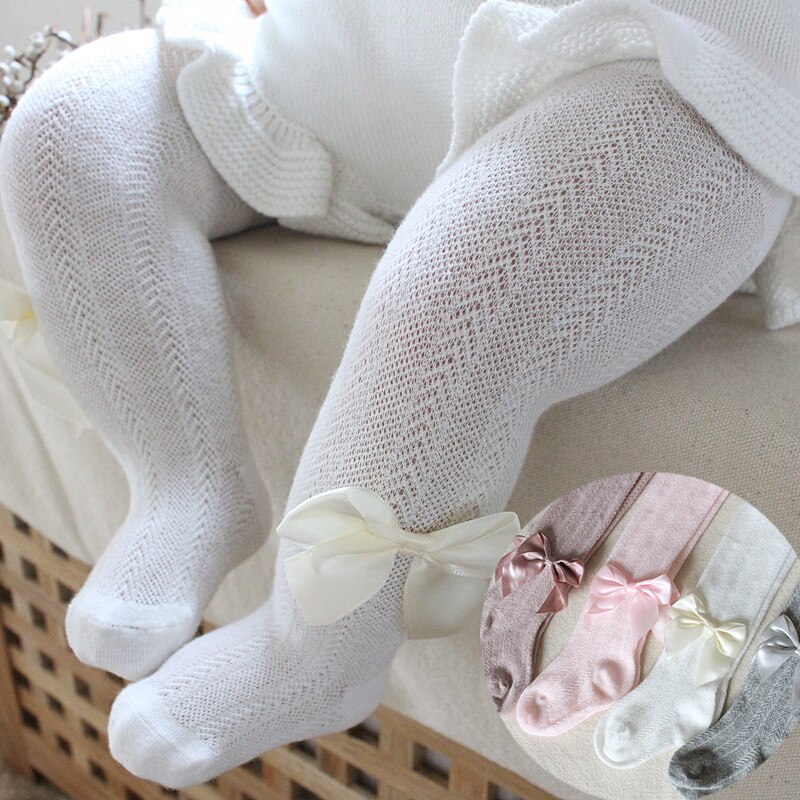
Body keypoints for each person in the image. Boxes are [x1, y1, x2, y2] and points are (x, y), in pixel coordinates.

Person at [0, 0, 797, 787]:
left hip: (661, 66)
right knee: (70, 126)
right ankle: (186, 484)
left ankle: (317, 649)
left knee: (482, 272)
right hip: (339, 73)